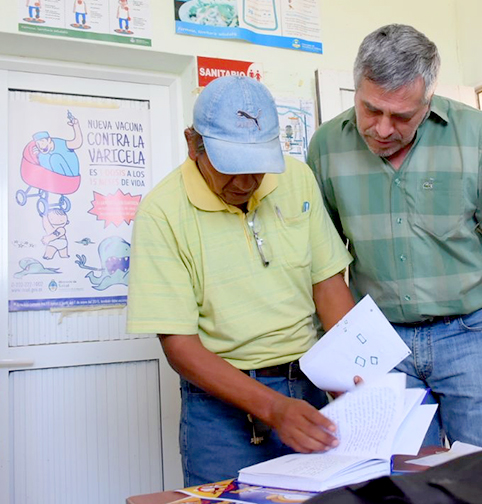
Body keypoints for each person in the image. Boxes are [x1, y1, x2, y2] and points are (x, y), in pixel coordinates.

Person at [307, 24, 482, 448]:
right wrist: (338, 358)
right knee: (402, 475)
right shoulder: (326, 146)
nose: (382, 129)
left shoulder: (477, 135)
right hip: (380, 344)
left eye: (401, 116)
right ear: (357, 89)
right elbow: (322, 266)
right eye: (370, 110)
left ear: (428, 99)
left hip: (471, 335)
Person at [126, 76, 355, 485]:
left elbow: (327, 284)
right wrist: (273, 408)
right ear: (193, 144)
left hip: (308, 387)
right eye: (231, 167)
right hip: (221, 411)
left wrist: (350, 372)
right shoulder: (161, 213)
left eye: (259, 166)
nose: (247, 183)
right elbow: (179, 346)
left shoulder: (297, 178)